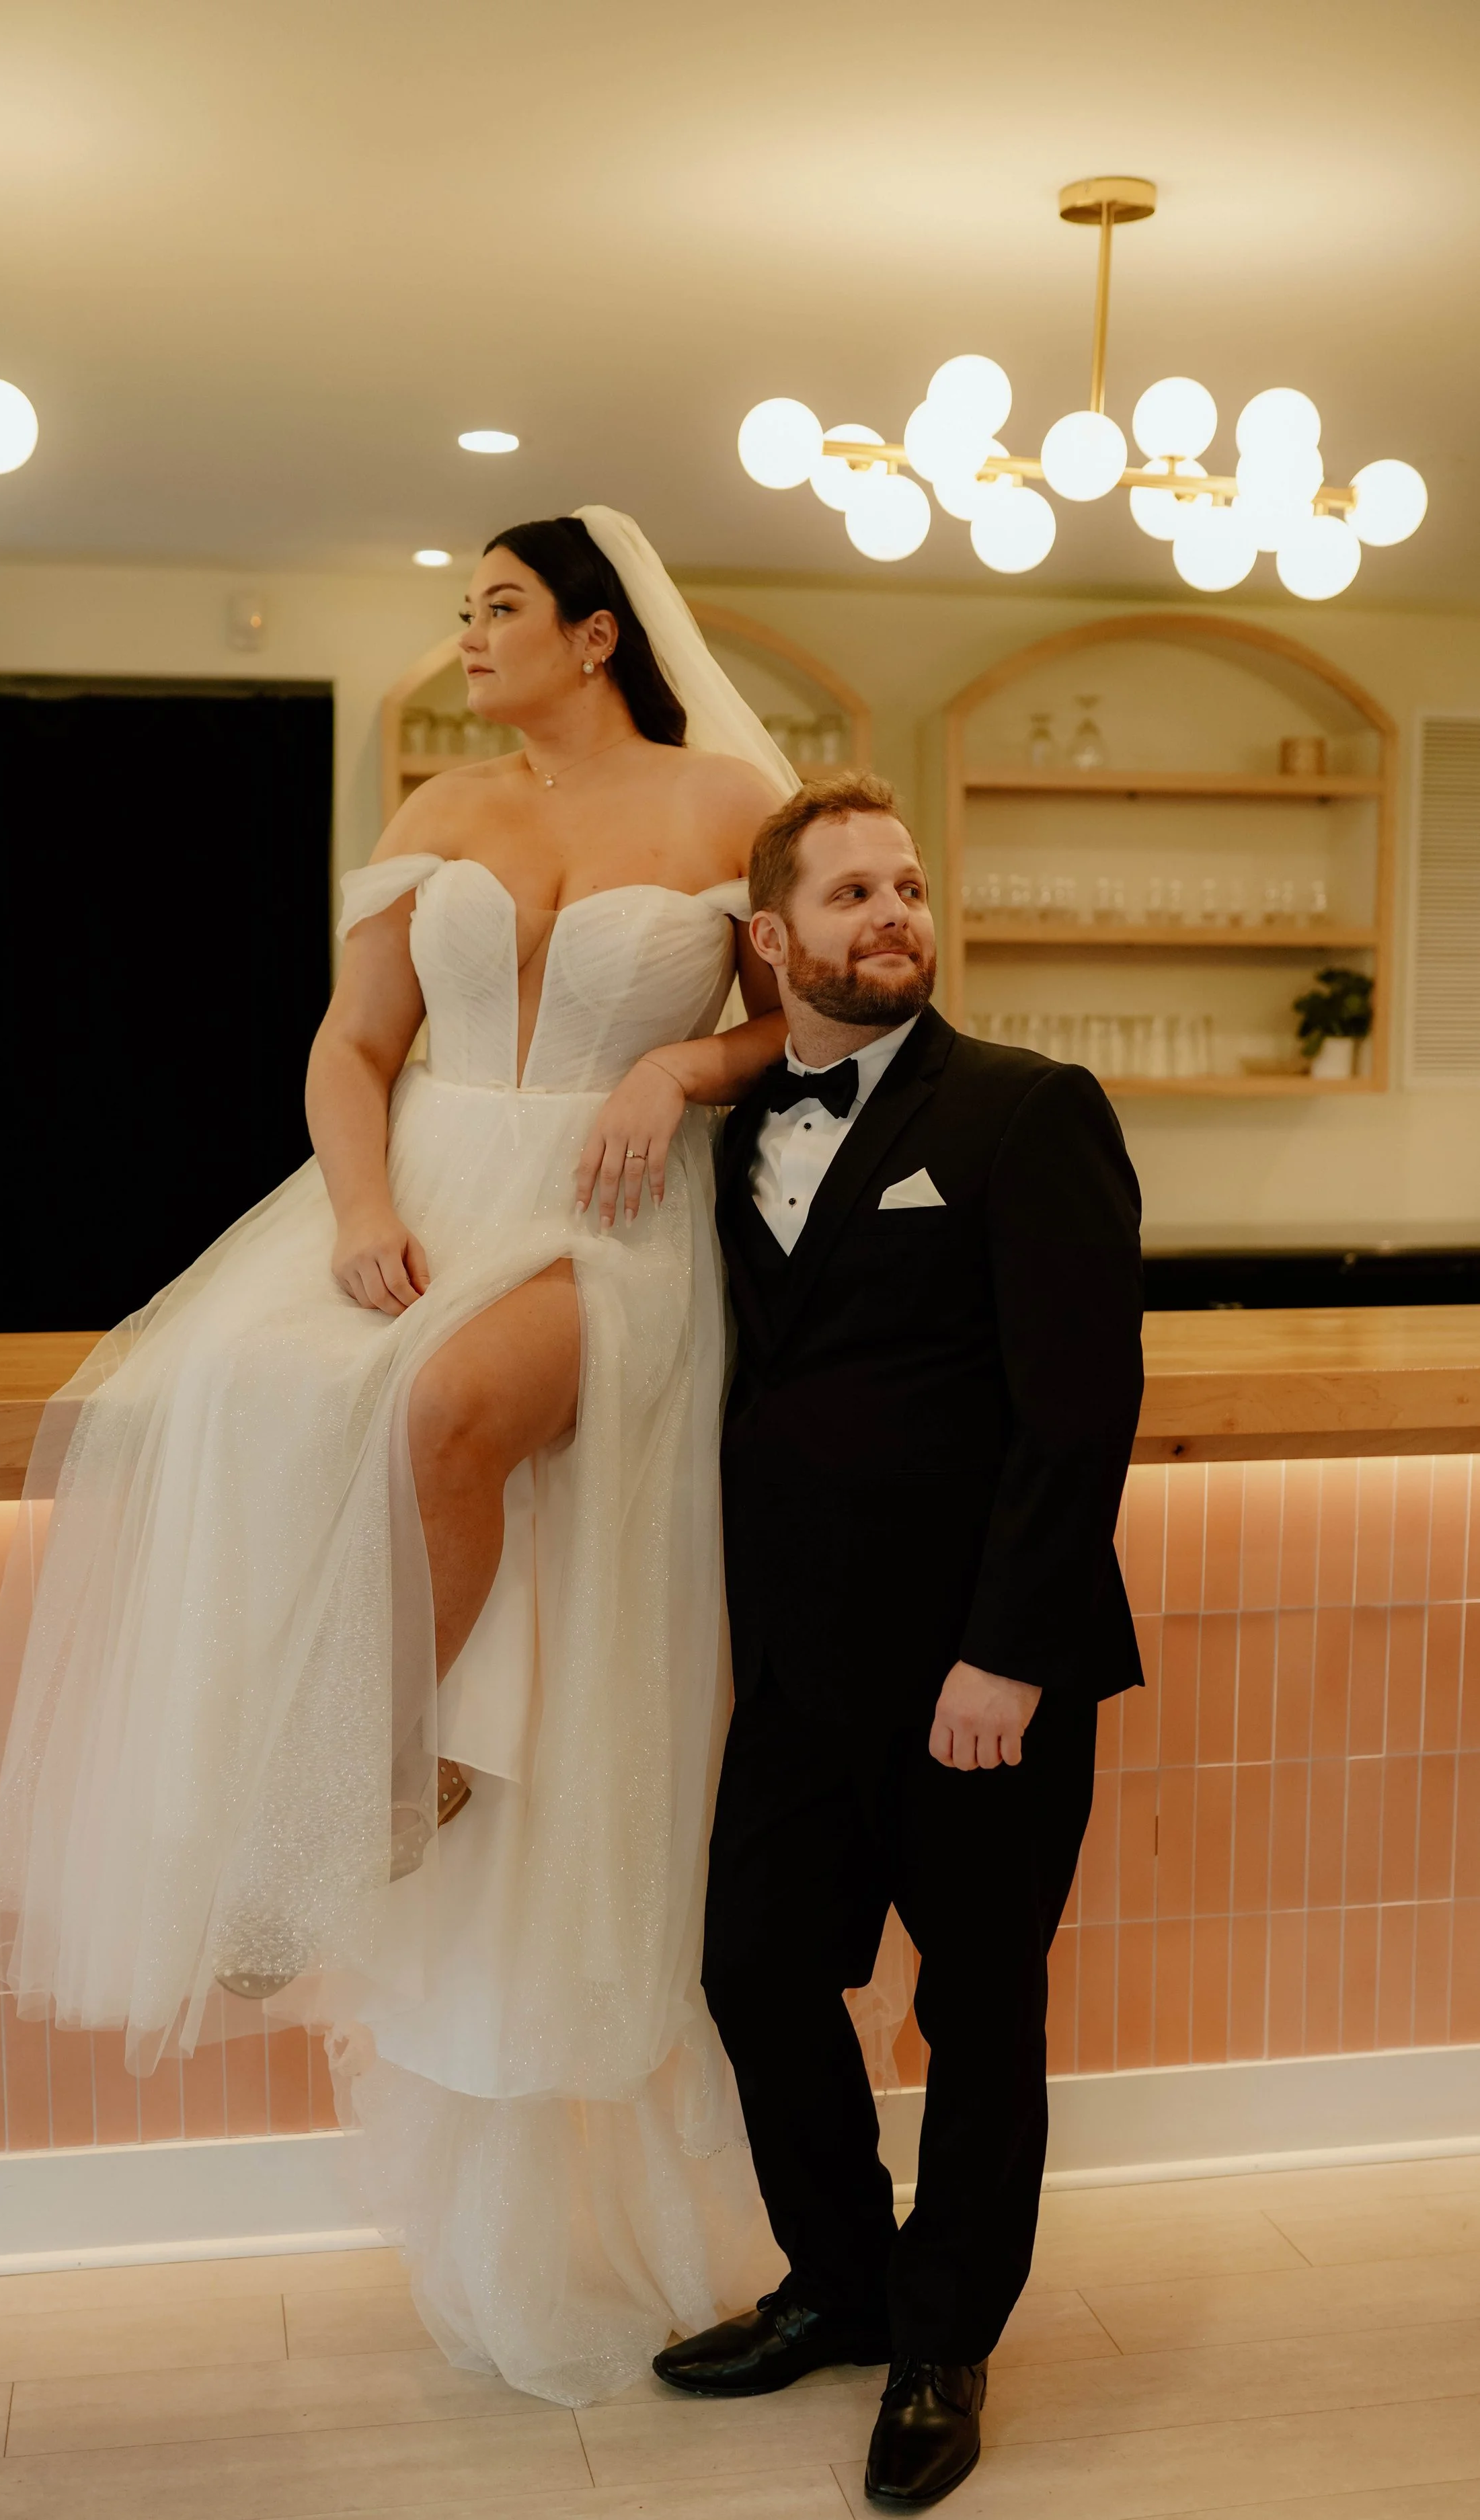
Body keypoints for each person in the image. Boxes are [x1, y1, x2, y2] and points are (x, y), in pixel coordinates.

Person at [0, 508, 802, 2407]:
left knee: (440, 1406)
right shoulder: (442, 812)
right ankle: (327, 1768)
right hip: (430, 1191)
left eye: (497, 607)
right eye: (461, 609)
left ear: (594, 627)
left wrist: (675, 1068)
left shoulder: (732, 799)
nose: (468, 634)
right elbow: (349, 1039)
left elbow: (801, 1020)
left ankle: (374, 1788)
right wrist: (357, 1206)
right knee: (193, 1408)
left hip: (613, 1222)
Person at [653, 773, 1144, 2510]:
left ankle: (945, 2337)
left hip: (980, 1675)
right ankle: (841, 2283)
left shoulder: (1023, 1110)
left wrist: (1004, 1653)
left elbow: (1075, 1411)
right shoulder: (721, 1136)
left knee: (978, 2008)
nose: (893, 917)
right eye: (851, 893)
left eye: (909, 885)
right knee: (754, 1971)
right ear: (769, 940)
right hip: (795, 1667)